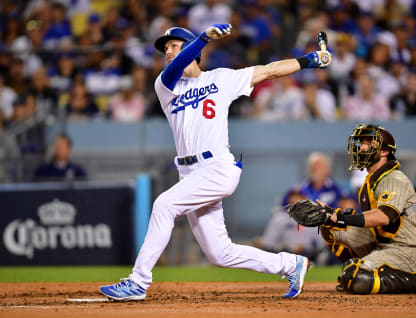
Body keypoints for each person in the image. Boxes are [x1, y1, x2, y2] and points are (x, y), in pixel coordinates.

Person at [99, 24, 332, 301]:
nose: (168, 52)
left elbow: (269, 70)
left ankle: (138, 281)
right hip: (189, 173)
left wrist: (309, 60)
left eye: (174, 46)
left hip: (217, 168)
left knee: (164, 205)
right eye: (165, 49)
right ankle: (290, 264)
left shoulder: (221, 78)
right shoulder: (165, 85)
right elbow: (178, 66)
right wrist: (203, 38)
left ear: (191, 51)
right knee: (220, 253)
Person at [295, 124, 416, 294]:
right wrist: (332, 214)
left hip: (408, 250)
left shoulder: (394, 178)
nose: (362, 147)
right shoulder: (369, 183)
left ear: (384, 151)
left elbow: (384, 216)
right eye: (361, 142)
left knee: (357, 276)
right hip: (381, 244)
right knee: (330, 225)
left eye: (369, 143)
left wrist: (340, 217)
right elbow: (364, 222)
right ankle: (360, 270)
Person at [252, 189, 325, 263]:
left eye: (300, 197)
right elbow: (270, 241)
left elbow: (321, 244)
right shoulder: (280, 218)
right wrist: (261, 242)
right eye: (294, 197)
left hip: (307, 254)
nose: (296, 200)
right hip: (285, 252)